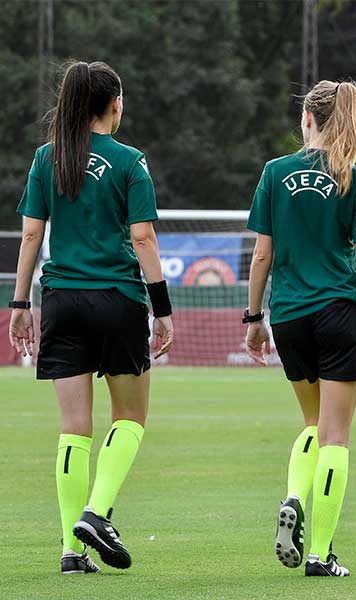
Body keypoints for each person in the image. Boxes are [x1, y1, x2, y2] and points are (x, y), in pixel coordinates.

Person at [9, 60, 174, 574]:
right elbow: (143, 237)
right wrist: (163, 309)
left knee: (73, 429)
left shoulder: (46, 159)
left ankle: (70, 550)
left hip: (60, 298)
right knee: (130, 419)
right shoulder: (130, 161)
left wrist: (19, 304)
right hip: (118, 299)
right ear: (115, 104)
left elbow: (32, 236)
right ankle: (97, 514)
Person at [244, 79, 356, 577]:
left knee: (312, 426)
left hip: (289, 316)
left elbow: (262, 254)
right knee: (337, 437)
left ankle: (294, 495)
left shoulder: (273, 173)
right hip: (338, 314)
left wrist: (254, 319)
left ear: (307, 120)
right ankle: (320, 553)